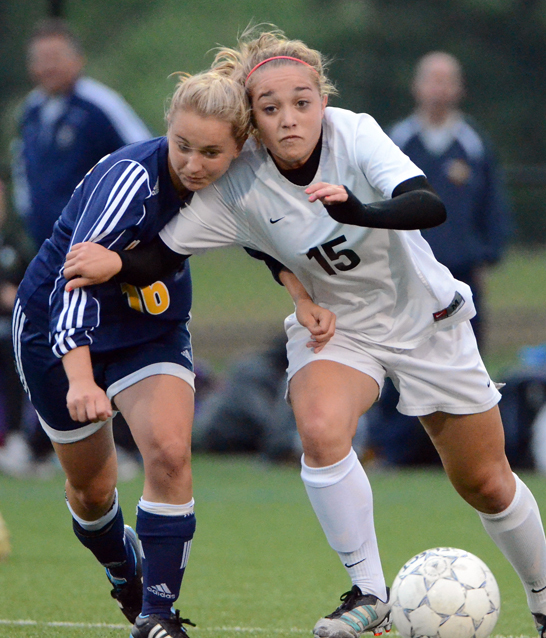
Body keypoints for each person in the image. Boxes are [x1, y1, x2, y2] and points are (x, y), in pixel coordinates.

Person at [62, 28, 546, 638]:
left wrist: (359, 211)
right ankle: (372, 595)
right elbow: (162, 254)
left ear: (322, 100)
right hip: (341, 330)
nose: (289, 118)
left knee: (487, 483)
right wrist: (117, 263)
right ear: (252, 121)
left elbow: (428, 204)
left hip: (427, 322)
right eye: (269, 108)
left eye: (302, 102)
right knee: (317, 429)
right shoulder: (238, 182)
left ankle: (544, 596)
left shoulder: (357, 132)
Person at [11, 69, 306, 638]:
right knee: (92, 492)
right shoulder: (131, 181)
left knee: (170, 455)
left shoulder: (237, 177)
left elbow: (262, 233)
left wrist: (299, 293)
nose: (194, 164)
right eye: (183, 146)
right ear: (167, 129)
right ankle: (123, 569)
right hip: (57, 326)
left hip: (149, 326)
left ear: (239, 146)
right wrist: (79, 379)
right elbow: (75, 281)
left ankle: (157, 616)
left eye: (212, 152)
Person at [389, 51, 510, 350]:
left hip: (461, 270)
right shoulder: (397, 141)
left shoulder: (473, 143)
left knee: (464, 353)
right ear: (417, 87)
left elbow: (492, 203)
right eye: (433, 80)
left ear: (459, 88)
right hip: (408, 269)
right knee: (405, 354)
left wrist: (487, 253)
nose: (439, 89)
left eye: (447, 81)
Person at [11, 18, 152, 252]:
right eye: (40, 60)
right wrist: (27, 211)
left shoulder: (100, 105)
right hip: (44, 242)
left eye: (55, 58)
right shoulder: (30, 110)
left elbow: (146, 154)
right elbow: (21, 165)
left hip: (93, 242)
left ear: (78, 59)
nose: (48, 67)